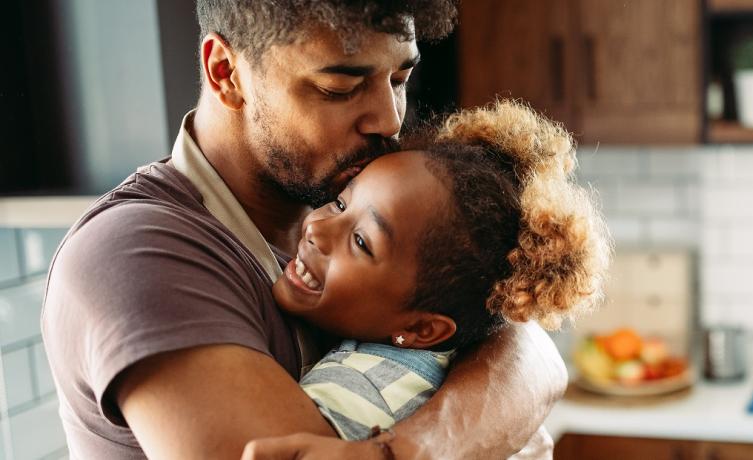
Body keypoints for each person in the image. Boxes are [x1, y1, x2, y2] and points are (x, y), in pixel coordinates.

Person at [41, 2, 568, 459]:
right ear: (226, 72)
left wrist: (413, 449)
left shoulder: (348, 195)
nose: (388, 119)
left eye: (400, 80)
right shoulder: (140, 253)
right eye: (339, 87)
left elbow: (524, 342)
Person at [274, 100, 610, 442]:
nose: (317, 229)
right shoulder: (438, 366)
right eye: (341, 203)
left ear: (421, 328)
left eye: (361, 242)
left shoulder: (353, 396)